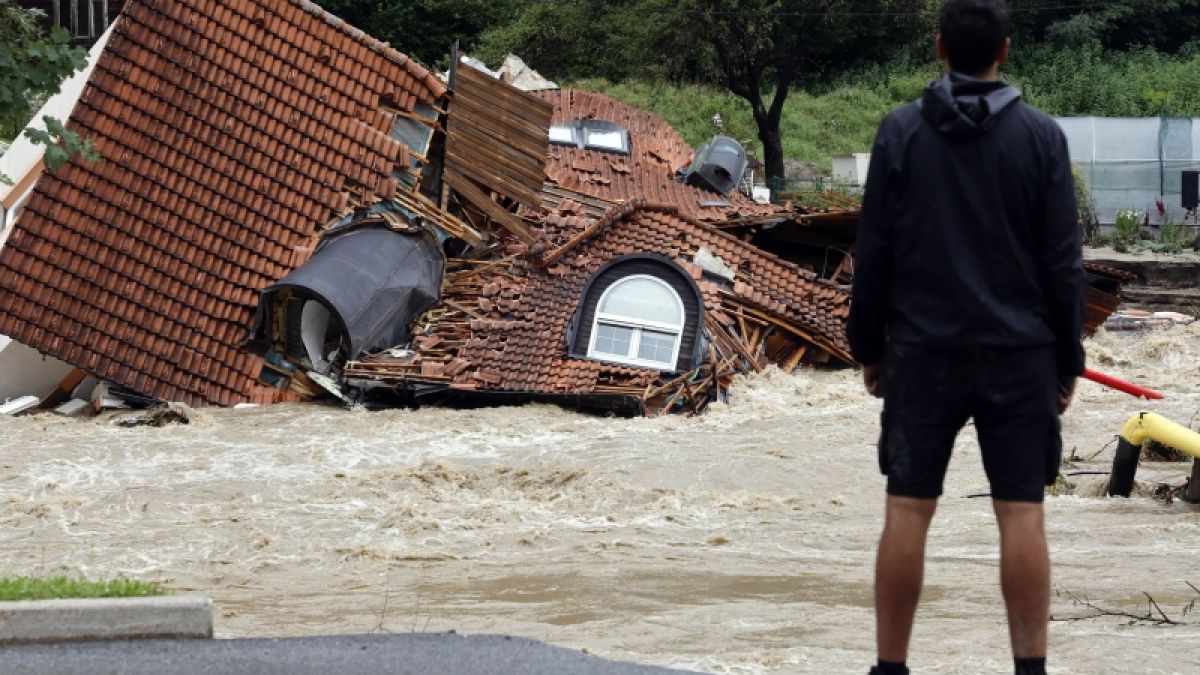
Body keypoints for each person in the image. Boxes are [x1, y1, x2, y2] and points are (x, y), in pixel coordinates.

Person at [847, 1, 1084, 674]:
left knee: (907, 509)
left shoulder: (900, 133)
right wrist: (1068, 359)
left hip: (923, 352)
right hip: (1020, 354)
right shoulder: (1042, 137)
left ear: (939, 48)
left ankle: (889, 668)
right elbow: (1063, 264)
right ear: (1005, 50)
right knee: (1022, 513)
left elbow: (874, 251)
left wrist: (870, 348)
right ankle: (1030, 668)